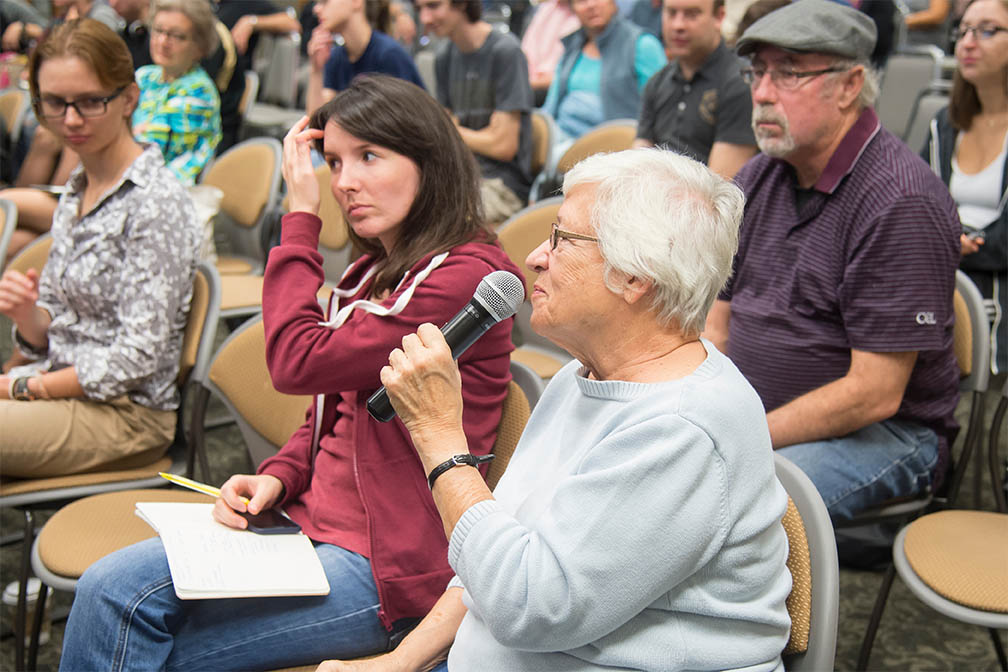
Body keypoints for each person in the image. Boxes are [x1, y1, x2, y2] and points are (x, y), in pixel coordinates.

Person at [59, 74, 523, 671]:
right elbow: (335, 407)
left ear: (429, 163)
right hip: (306, 528)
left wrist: (300, 215)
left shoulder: (463, 279)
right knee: (110, 588)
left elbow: (294, 360)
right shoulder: (373, 273)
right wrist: (280, 472)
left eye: (368, 156)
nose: (343, 182)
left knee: (141, 634)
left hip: (385, 570)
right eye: (332, 162)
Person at [316, 146, 792, 671]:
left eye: (563, 239)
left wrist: (438, 435)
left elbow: (528, 606)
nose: (536, 257)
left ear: (635, 276)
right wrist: (399, 663)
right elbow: (492, 548)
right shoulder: (581, 376)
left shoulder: (683, 427)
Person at [704, 0, 962, 523]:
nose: (761, 93)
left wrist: (741, 439)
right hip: (761, 418)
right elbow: (717, 318)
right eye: (758, 72)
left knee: (725, 508)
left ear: (849, 86)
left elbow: (875, 395)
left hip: (884, 435)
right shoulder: (761, 176)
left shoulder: (899, 201)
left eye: (789, 74)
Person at [0, 18, 200, 477]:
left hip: (125, 413)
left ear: (129, 98)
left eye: (91, 102)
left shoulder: (155, 201)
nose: (70, 119)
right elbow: (60, 322)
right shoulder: (79, 185)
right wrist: (30, 317)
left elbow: (136, 357)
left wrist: (27, 386)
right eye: (54, 103)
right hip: (66, 385)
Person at [923, 0, 1007, 374]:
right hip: (943, 275)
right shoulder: (944, 124)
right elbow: (913, 200)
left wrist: (963, 244)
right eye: (963, 30)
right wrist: (943, 238)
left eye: (987, 30)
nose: (968, 43)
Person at [419, 0, 535, 224]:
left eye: (433, 6)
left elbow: (503, 146)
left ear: (461, 4)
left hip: (502, 184)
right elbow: (442, 135)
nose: (425, 18)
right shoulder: (444, 56)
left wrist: (452, 129)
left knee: (439, 219)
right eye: (420, 9)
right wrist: (480, 135)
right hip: (461, 176)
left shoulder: (505, 51)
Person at [634, 0, 756, 179]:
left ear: (719, 17)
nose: (678, 25)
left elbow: (721, 188)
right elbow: (637, 166)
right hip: (655, 197)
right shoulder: (656, 83)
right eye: (671, 13)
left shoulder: (740, 83)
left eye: (692, 14)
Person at [541, 0, 666, 148]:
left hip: (612, 149)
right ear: (572, 9)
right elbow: (550, 107)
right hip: (560, 139)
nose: (591, 5)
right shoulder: (572, 46)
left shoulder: (642, 44)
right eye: (581, 1)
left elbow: (662, 115)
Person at [133, 0, 222, 186]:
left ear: (200, 46)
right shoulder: (146, 76)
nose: (163, 42)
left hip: (164, 189)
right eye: (158, 30)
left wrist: (127, 130)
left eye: (177, 36)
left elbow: (145, 150)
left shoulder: (199, 92)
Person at [304, 0, 424, 116]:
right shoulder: (335, 57)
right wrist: (316, 70)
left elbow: (409, 122)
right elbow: (316, 123)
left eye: (325, 1)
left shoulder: (388, 54)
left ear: (356, 1)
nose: (316, 9)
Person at [520, 0, 581, 105]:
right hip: (530, 80)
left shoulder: (585, 16)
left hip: (553, 87)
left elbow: (569, 75)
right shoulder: (545, 8)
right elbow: (525, 52)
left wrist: (526, 83)